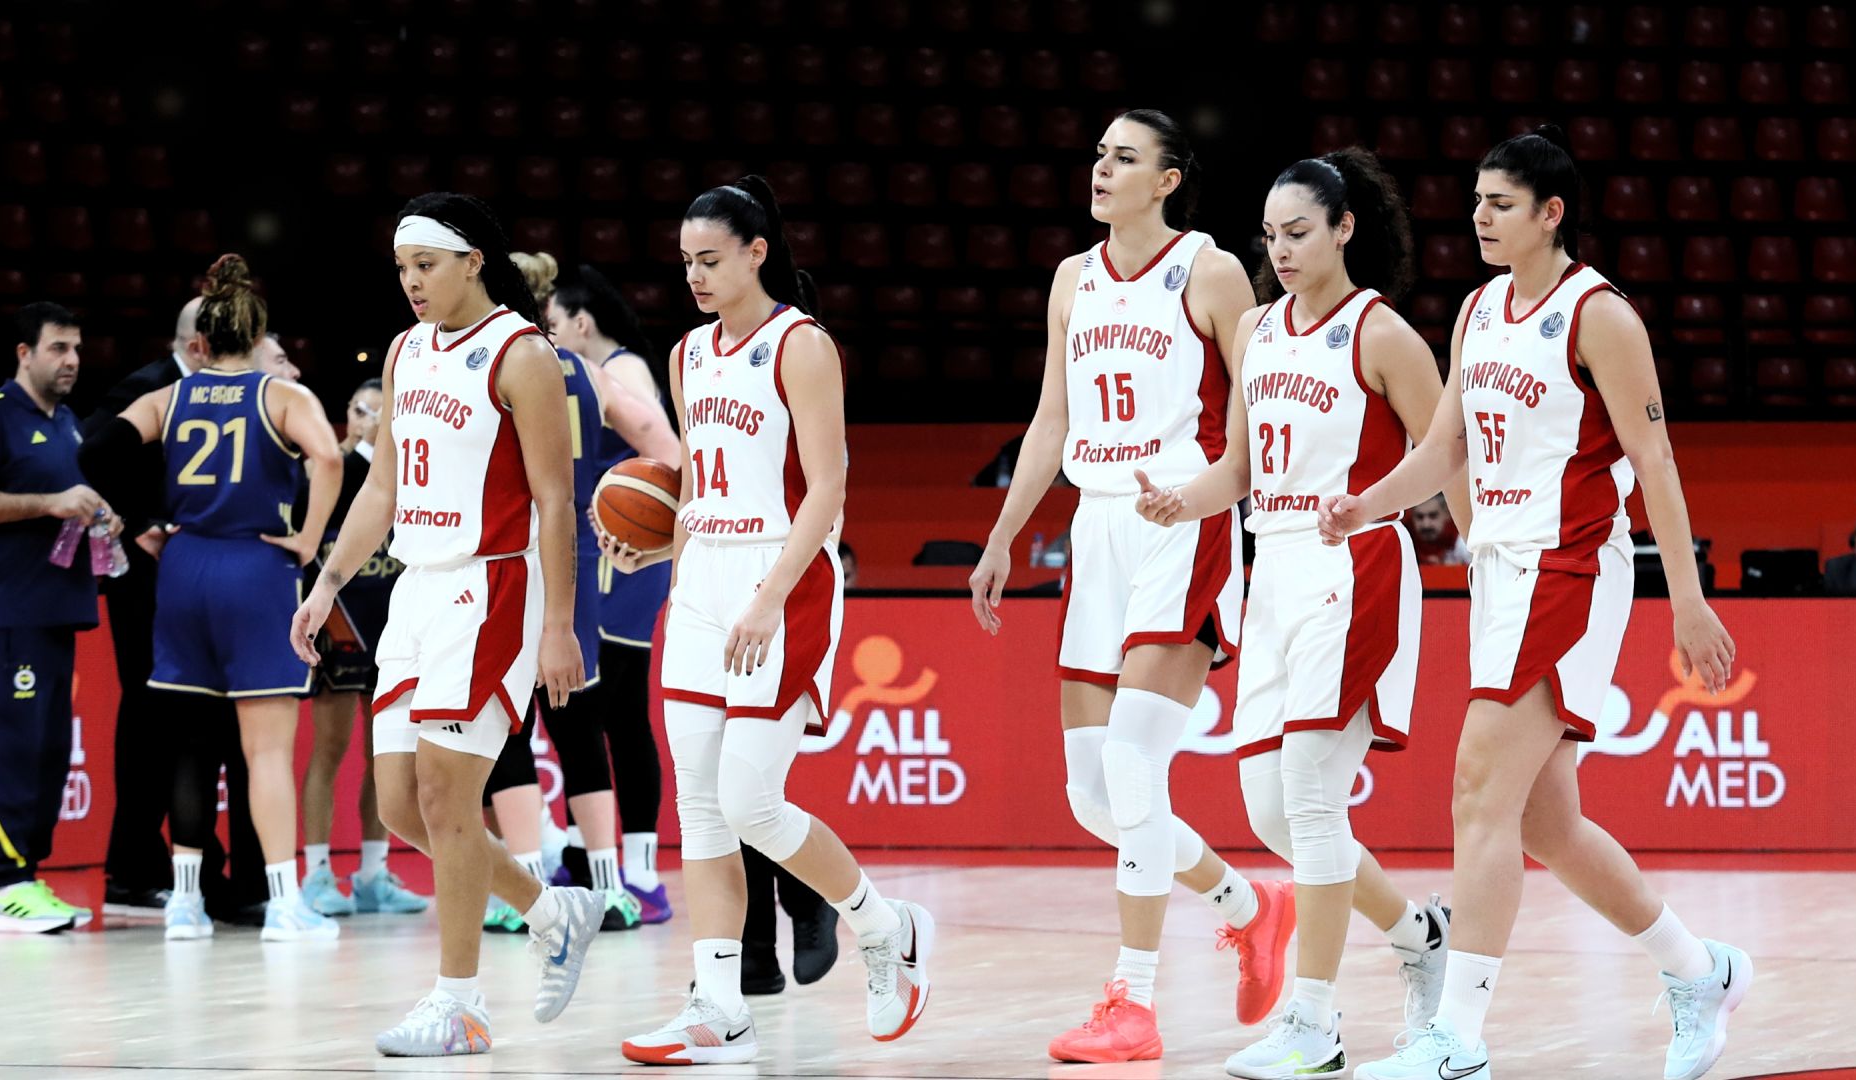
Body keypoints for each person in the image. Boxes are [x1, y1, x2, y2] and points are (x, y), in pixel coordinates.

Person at [1326, 127, 1749, 1080]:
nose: (1479, 217)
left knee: (1477, 789)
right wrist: (1367, 503)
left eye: (1500, 203)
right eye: (1477, 200)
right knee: (1543, 824)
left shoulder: (1600, 315)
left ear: (1551, 213)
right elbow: (1444, 448)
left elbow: (1655, 461)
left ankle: (1458, 1039)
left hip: (1572, 567)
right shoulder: (1478, 310)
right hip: (1501, 568)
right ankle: (1701, 971)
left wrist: (1686, 598)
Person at [967, 108, 1293, 1064]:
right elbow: (1050, 421)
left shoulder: (1210, 271)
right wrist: (1003, 535)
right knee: (1091, 794)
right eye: (1099, 155)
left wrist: (1224, 499)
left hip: (1181, 520)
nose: (1102, 170)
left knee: (1136, 769)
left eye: (1124, 158)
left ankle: (1134, 1004)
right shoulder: (1072, 278)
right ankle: (1248, 905)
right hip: (1097, 524)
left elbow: (1256, 407)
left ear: (1169, 179)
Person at [1134, 148, 1457, 1077]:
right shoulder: (1257, 330)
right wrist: (1181, 502)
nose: (1280, 249)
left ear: (1345, 229)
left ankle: (1314, 1025)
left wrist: (1378, 504)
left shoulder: (1382, 334)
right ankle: (1418, 935)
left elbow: (1448, 452)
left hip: (1356, 565)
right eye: (1271, 234)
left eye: (1299, 232)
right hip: (1272, 568)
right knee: (1273, 812)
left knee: (1312, 796)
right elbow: (1240, 468)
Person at [618, 175, 931, 1065]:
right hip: (702, 582)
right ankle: (719, 1007)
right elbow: (697, 481)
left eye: (711, 259)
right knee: (700, 807)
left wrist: (765, 597)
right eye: (686, 262)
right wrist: (663, 555)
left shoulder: (801, 345)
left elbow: (828, 487)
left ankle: (884, 925)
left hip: (782, 577)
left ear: (757, 253)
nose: (695, 276)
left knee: (751, 801)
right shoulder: (686, 354)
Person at [288, 193, 605, 1056]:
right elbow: (383, 486)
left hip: (493, 585)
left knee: (446, 796)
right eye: (402, 268)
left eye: (425, 265)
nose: (412, 282)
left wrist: (561, 625)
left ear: (474, 261)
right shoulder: (404, 351)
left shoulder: (522, 354)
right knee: (402, 807)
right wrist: (328, 583)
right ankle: (553, 910)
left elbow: (556, 501)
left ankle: (460, 1003)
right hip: (417, 589)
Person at [86, 255, 345, 943]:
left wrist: (141, 521)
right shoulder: (281, 396)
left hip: (185, 567)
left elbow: (96, 449)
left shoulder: (170, 397)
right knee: (266, 752)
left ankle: (184, 904)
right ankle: (283, 904)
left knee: (191, 746)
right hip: (254, 566)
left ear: (203, 340)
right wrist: (308, 538)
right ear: (256, 336)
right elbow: (329, 457)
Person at [479, 250, 679, 934]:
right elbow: (662, 442)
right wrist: (657, 515)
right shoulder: (583, 369)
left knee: (507, 722)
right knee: (579, 718)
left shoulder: (484, 363)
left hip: (506, 554)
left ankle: (528, 892)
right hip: (578, 552)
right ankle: (610, 885)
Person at [85, 295, 262, 923]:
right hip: (146, 584)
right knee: (153, 721)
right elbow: (91, 452)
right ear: (198, 348)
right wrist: (141, 521)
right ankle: (134, 871)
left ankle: (193, 872)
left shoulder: (218, 393)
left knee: (188, 729)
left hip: (193, 581)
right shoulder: (151, 387)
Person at [0, 301, 114, 933]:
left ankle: (28, 877)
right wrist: (50, 502)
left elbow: (68, 501)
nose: (72, 360)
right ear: (25, 353)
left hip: (57, 608)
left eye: (77, 348)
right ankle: (6, 885)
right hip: (10, 610)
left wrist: (100, 515)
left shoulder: (68, 422)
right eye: (58, 348)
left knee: (48, 751)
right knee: (13, 746)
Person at [546, 262, 685, 925]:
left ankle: (641, 871)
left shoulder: (620, 369)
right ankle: (587, 854)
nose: (548, 334)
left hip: (624, 552)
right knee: (603, 713)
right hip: (606, 549)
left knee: (617, 711)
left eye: (553, 323)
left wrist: (644, 531)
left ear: (582, 322)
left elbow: (666, 458)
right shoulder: (592, 371)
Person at [298, 377, 427, 917]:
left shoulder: (411, 472)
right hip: (343, 624)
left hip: (395, 624)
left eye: (375, 410)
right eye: (356, 408)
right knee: (329, 748)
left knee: (387, 755)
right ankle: (316, 874)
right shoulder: (332, 470)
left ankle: (373, 874)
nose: (363, 418)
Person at [1409, 494, 1470, 565]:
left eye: (1433, 516)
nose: (1426, 524)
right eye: (1419, 517)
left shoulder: (1463, 542)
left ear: (1447, 514)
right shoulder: (1406, 541)